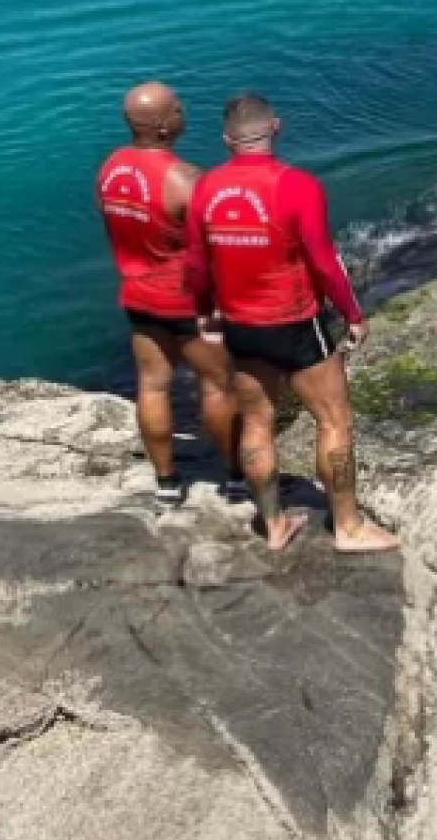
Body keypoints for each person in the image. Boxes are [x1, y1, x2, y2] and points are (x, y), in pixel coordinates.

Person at [185, 95, 400, 552]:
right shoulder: (298, 185)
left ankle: (274, 525)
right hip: (298, 322)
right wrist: (353, 315)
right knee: (335, 421)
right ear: (276, 127)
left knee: (258, 422)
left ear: (227, 140)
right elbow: (324, 262)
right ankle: (348, 526)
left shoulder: (205, 189)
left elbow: (198, 265)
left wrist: (206, 314)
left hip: (240, 324)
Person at [95, 82, 240, 507]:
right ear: (162, 126)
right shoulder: (184, 178)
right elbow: (219, 243)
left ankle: (167, 482)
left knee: (153, 386)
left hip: (138, 294)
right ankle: (234, 476)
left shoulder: (111, 168)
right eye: (177, 108)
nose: (183, 112)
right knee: (217, 384)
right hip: (186, 300)